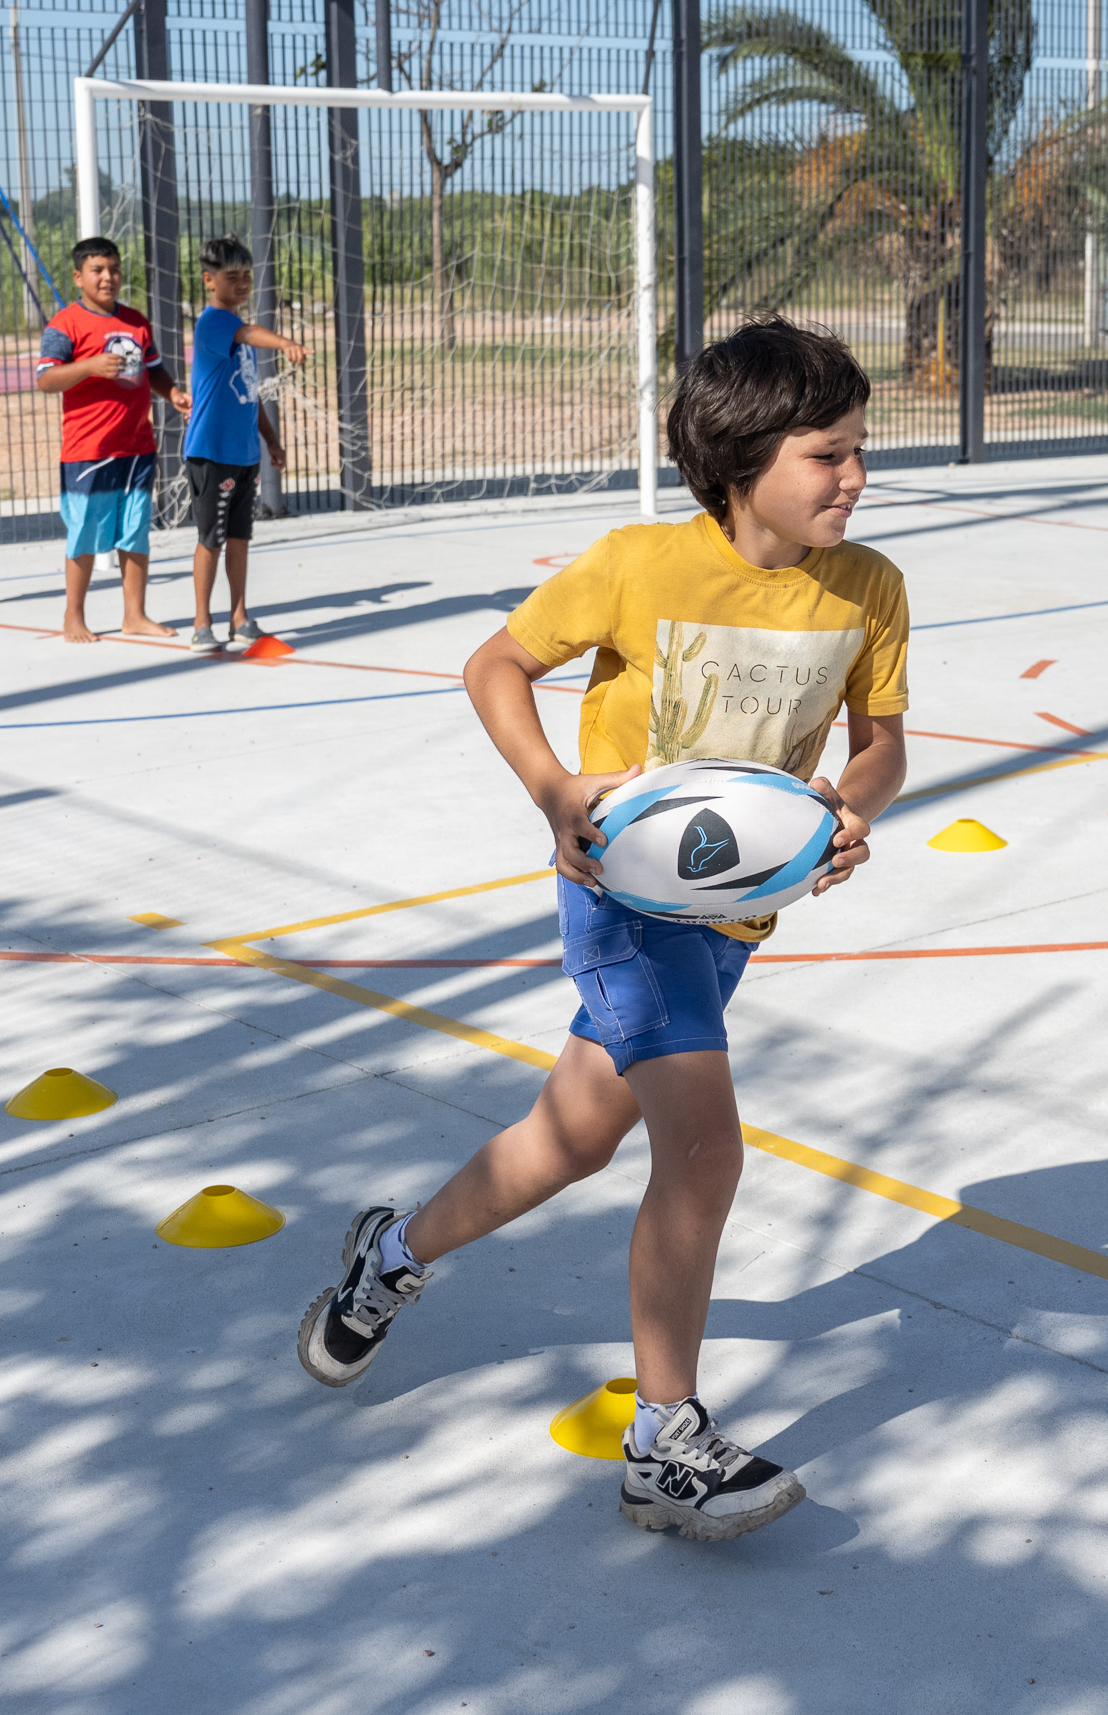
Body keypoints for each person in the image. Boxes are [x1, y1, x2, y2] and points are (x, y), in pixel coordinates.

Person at [294, 314, 909, 1543]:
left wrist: (851, 807)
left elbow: (882, 738)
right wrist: (551, 788)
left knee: (568, 1140)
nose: (854, 476)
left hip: (732, 917)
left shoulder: (870, 586)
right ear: (742, 462)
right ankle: (664, 1442)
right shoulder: (638, 562)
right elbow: (495, 667)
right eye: (826, 455)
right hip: (624, 899)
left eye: (857, 450)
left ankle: (392, 1253)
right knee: (704, 1148)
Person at [36, 235, 175, 643]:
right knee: (84, 533)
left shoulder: (136, 322)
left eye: (114, 269)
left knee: (134, 532)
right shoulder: (64, 326)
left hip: (137, 446)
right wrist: (90, 365)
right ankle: (73, 617)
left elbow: (156, 370)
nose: (108, 277)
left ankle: (135, 615)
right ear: (79, 277)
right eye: (97, 270)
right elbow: (46, 379)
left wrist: (173, 393)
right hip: (88, 450)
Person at [176, 237, 305, 654]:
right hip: (211, 453)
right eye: (233, 277)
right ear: (209, 281)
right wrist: (285, 343)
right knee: (210, 538)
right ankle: (200, 622)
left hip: (244, 454)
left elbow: (250, 396)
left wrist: (270, 441)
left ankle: (239, 617)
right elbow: (248, 331)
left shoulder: (239, 333)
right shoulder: (215, 323)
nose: (243, 283)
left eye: (247, 275)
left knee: (239, 538)